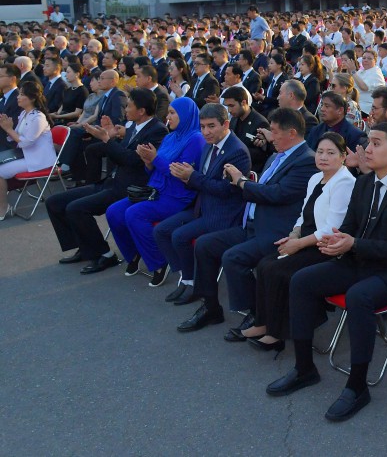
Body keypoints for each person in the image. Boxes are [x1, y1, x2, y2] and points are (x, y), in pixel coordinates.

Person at [267, 123, 387, 423]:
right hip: (360, 260)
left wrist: (353, 243)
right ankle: (304, 369)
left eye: (375, 143)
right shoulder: (365, 183)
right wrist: (338, 242)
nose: (366, 148)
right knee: (301, 280)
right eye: (368, 142)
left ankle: (357, 387)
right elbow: (352, 226)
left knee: (359, 297)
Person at [177, 108, 317, 333]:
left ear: (291, 133)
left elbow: (277, 194)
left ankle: (258, 315)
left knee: (233, 258)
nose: (270, 136)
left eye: (274, 131)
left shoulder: (306, 161)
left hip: (274, 231)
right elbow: (263, 187)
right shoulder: (277, 155)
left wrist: (241, 182)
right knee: (205, 245)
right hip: (251, 225)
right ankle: (211, 307)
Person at [240, 132, 356, 350]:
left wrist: (298, 244)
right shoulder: (316, 178)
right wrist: (293, 235)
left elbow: (332, 228)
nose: (323, 157)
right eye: (320, 151)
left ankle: (277, 333)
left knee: (279, 270)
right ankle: (263, 323)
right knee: (265, 264)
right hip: (305, 238)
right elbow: (303, 214)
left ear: (342, 157)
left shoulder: (345, 182)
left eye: (331, 153)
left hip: (326, 246)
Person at [48, 89, 168, 273]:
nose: (126, 109)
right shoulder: (133, 126)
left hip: (129, 188)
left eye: (129, 105)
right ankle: (86, 247)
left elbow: (131, 160)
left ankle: (105, 255)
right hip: (112, 182)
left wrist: (107, 140)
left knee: (76, 208)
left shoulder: (157, 130)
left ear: (142, 110)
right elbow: (120, 155)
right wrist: (111, 136)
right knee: (54, 202)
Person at [153, 103, 252, 305]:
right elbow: (201, 179)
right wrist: (184, 175)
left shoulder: (237, 151)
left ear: (225, 124)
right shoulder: (209, 145)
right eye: (203, 126)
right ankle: (187, 278)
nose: (206, 132)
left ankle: (192, 284)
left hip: (222, 214)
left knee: (179, 236)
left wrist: (192, 177)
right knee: (162, 231)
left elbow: (227, 190)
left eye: (211, 126)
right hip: (203, 207)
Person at [105, 98, 205, 287]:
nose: (168, 117)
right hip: (156, 190)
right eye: (168, 112)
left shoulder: (195, 139)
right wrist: (148, 162)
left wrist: (155, 159)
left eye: (173, 113)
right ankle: (135, 252)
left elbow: (179, 173)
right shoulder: (171, 137)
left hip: (177, 196)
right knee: (114, 212)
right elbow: (154, 171)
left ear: (185, 115)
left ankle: (160, 261)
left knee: (134, 214)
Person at [0, 82, 56, 219]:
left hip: (38, 159)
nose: (18, 97)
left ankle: (3, 207)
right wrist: (10, 130)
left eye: (22, 94)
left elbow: (25, 142)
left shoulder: (38, 117)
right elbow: (15, 139)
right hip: (25, 155)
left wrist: (9, 129)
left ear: (31, 98)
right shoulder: (25, 114)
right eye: (19, 94)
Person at [222, 86, 270, 174]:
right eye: (227, 106)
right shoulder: (234, 119)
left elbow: (261, 155)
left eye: (232, 106)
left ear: (243, 102)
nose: (229, 110)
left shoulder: (260, 123)